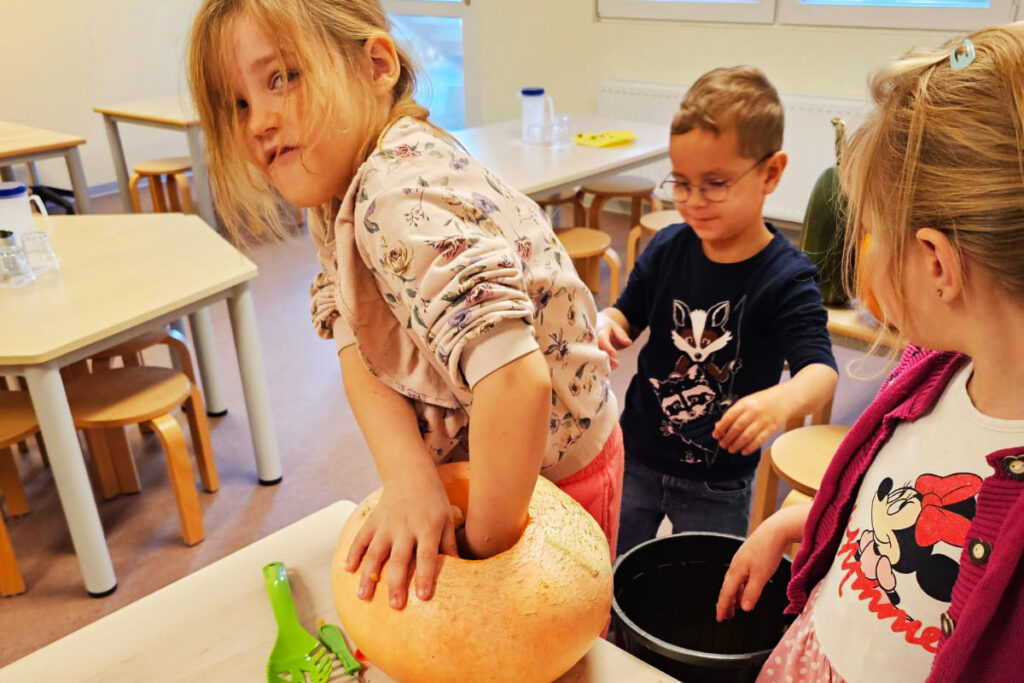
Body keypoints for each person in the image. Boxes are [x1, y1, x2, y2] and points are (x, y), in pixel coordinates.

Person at [187, 0, 623, 612]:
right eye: (238, 102)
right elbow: (351, 332)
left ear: (376, 65)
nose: (258, 120)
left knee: (552, 645)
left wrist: (482, 553)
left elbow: (518, 385)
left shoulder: (394, 195)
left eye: (282, 78)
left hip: (555, 470)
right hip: (487, 454)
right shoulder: (335, 183)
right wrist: (409, 478)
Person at [716, 24, 1024, 682]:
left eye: (872, 230)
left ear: (937, 263)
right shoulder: (935, 371)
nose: (863, 250)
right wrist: (807, 516)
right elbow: (899, 490)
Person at [597, 66, 837, 552]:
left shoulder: (786, 277)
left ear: (771, 172)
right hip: (638, 453)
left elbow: (821, 372)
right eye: (681, 183)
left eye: (715, 183)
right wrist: (605, 322)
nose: (694, 201)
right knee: (613, 572)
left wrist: (781, 401)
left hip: (719, 481)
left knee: (699, 590)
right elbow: (627, 313)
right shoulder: (666, 247)